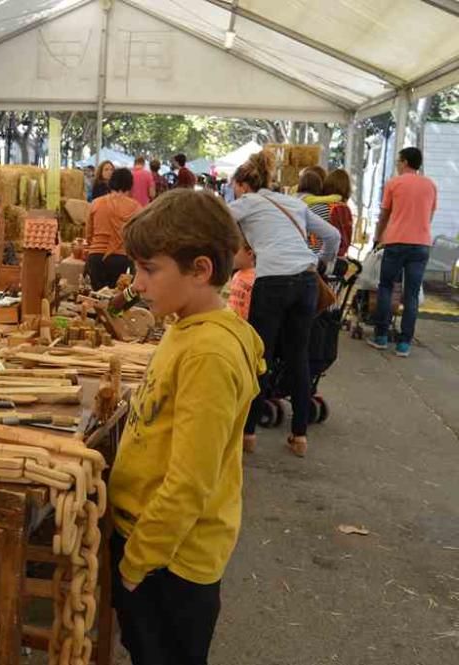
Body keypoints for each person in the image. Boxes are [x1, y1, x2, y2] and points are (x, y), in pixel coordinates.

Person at [109, 189, 264, 665]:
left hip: (168, 559)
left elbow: (191, 480)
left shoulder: (210, 355)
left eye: (150, 270)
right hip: (152, 542)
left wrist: (139, 560)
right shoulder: (186, 325)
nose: (139, 283)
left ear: (200, 270)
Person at [230, 152, 339, 458]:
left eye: (234, 186)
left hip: (273, 282)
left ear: (241, 184)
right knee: (298, 357)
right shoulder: (293, 203)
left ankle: (248, 434)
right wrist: (321, 264)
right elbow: (332, 235)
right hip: (305, 280)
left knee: (260, 356)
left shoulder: (246, 202)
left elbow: (213, 221)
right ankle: (299, 435)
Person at [368, 146, 437, 358]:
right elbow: (430, 214)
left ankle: (381, 336)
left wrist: (378, 238)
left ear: (405, 162)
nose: (397, 165)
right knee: (412, 293)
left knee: (387, 286)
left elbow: (385, 215)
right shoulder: (430, 185)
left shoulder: (394, 183)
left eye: (399, 161)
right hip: (421, 244)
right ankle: (404, 343)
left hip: (396, 242)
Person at [85, 168, 141, 289]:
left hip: (96, 256)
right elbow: (138, 239)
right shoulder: (137, 208)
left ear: (111, 182)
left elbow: (88, 234)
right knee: (114, 298)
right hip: (120, 258)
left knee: (96, 298)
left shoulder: (96, 203)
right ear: (130, 185)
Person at [228, 243, 256, 320]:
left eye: (235, 252)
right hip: (232, 321)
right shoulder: (236, 275)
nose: (231, 256)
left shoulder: (256, 277)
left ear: (249, 254)